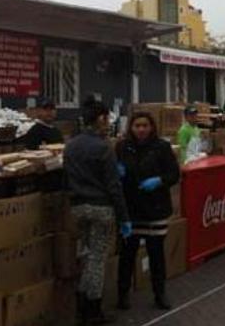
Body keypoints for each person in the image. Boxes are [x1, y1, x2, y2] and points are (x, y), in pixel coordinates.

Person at [63, 98, 129, 324]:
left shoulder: (70, 145)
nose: (108, 122)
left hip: (78, 207)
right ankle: (92, 309)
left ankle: (80, 303)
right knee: (97, 259)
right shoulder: (103, 148)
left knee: (87, 254)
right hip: (101, 208)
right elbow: (113, 186)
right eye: (107, 118)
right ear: (100, 119)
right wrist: (124, 218)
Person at [116, 112, 180, 311]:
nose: (141, 129)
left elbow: (174, 174)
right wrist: (117, 171)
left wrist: (159, 180)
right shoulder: (122, 147)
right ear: (131, 128)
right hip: (131, 209)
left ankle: (160, 293)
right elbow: (114, 174)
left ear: (152, 127)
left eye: (145, 125)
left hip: (155, 208)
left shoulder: (162, 147)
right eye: (137, 126)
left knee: (156, 254)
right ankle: (123, 295)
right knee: (127, 254)